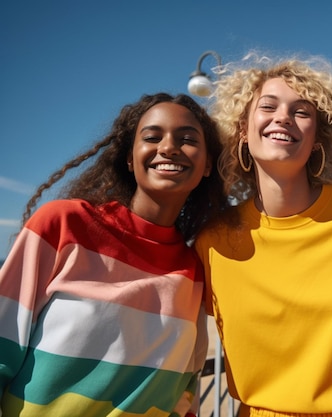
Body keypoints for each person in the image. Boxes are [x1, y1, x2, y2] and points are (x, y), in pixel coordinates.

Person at [194, 53, 332, 416]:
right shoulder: (213, 242)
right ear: (242, 130)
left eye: (301, 111)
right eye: (268, 107)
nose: (283, 118)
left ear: (317, 138)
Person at [0, 93, 230, 417]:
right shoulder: (64, 225)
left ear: (207, 164)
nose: (168, 147)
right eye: (152, 137)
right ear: (129, 157)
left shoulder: (193, 271)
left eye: (187, 139)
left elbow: (183, 393)